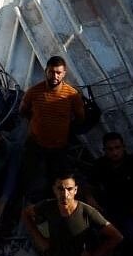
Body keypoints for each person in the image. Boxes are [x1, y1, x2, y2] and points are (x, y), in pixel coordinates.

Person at [19, 56, 86, 197]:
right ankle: (30, 206)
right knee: (31, 177)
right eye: (51, 72)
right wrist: (36, 122)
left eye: (59, 72)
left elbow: (80, 117)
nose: (55, 76)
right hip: (35, 144)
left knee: (55, 180)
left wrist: (63, 128)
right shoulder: (34, 92)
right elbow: (23, 111)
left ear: (64, 73)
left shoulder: (72, 95)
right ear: (46, 71)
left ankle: (51, 205)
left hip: (59, 147)